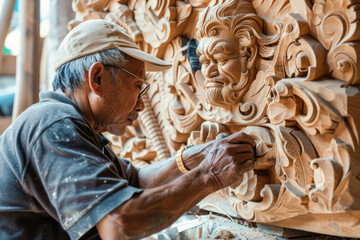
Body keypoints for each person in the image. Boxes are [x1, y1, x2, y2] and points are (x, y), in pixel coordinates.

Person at [0, 19, 255, 240]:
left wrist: (195, 157)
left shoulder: (71, 124)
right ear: (97, 78)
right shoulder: (54, 125)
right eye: (137, 85)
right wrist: (209, 175)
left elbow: (137, 181)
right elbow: (118, 224)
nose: (142, 103)